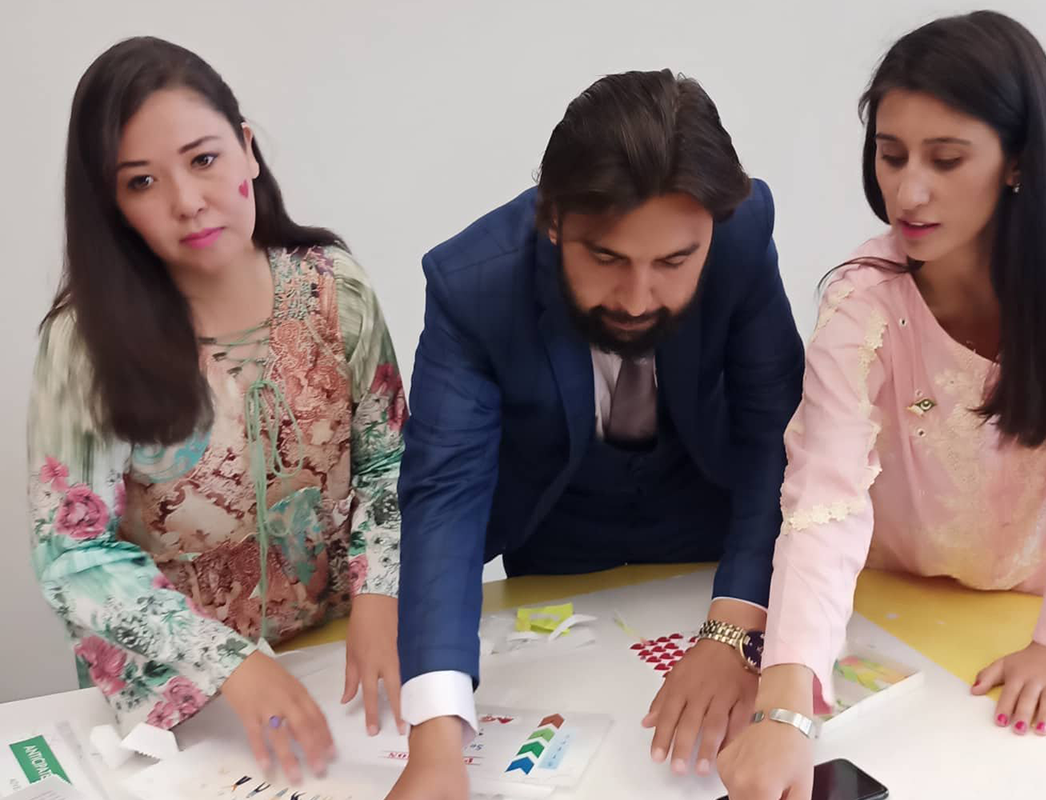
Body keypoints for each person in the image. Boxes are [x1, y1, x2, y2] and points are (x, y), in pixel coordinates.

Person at [717, 11, 1046, 799]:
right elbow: (824, 501)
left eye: (947, 158)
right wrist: (784, 711)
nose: (909, 189)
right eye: (890, 157)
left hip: (1042, 603)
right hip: (897, 596)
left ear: (1019, 160)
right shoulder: (864, 298)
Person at [387, 69, 804, 799]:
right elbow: (444, 496)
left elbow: (778, 433)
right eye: (606, 259)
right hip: (557, 546)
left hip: (712, 540)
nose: (639, 298)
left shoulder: (741, 235)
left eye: (675, 262)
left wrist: (734, 626)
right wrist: (435, 747)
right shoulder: (471, 284)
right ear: (553, 222)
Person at [27, 37, 408, 783]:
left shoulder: (337, 288)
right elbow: (73, 554)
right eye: (142, 182)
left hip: (334, 662)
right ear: (113, 204)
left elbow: (389, 460)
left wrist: (379, 597)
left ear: (247, 151)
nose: (186, 201)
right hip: (181, 703)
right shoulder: (86, 345)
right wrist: (231, 666)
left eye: (204, 160)